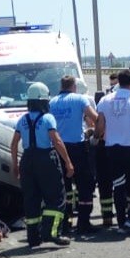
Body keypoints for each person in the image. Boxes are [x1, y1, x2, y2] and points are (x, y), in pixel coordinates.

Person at [10, 82, 74, 247]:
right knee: (56, 197)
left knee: (31, 199)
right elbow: (57, 141)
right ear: (44, 100)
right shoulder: (48, 118)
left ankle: (33, 237)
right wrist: (68, 162)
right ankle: (51, 233)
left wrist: (15, 165)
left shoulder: (22, 120)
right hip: (45, 159)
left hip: (27, 160)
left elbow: (14, 143)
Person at [95, 69, 130, 233]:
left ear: (118, 81)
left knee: (118, 185)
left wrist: (97, 136)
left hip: (112, 149)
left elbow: (100, 127)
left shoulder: (104, 100)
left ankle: (121, 221)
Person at [49, 75, 98, 235]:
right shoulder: (79, 99)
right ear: (74, 86)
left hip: (59, 148)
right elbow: (95, 117)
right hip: (77, 147)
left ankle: (64, 223)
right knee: (85, 185)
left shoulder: (52, 102)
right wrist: (97, 133)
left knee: (63, 187)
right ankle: (84, 222)